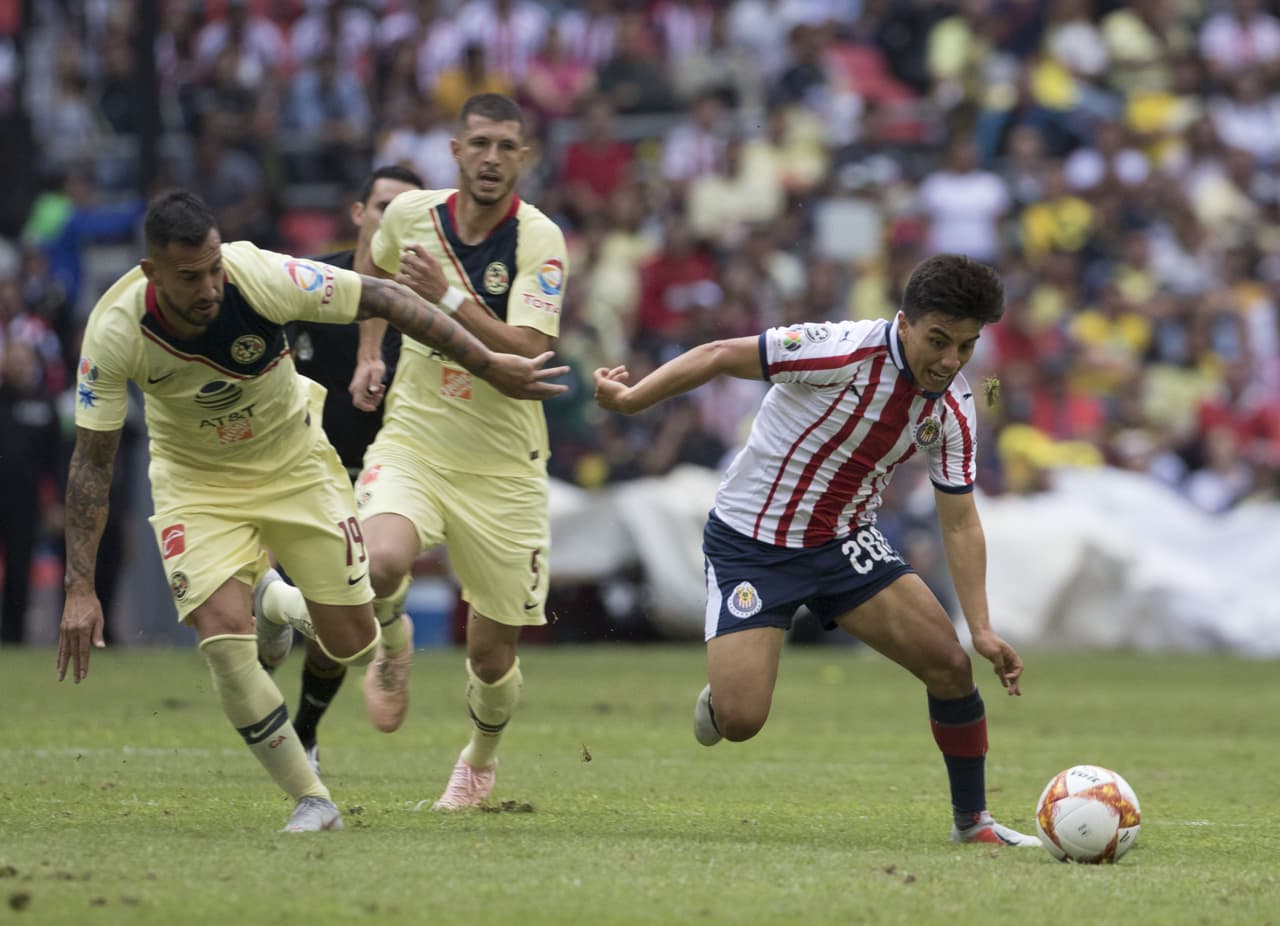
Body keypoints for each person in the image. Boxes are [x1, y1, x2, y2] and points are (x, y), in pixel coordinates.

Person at [56, 189, 567, 833]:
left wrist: (490, 363)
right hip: (197, 481)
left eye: (214, 267)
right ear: (152, 273)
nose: (211, 286)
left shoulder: (260, 275)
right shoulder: (112, 331)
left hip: (296, 463)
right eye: (191, 277)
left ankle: (274, 602)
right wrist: (80, 586)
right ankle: (312, 799)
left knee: (354, 645)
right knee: (221, 637)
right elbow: (92, 463)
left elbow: (383, 298)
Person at [592, 253, 1041, 847]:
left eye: (966, 345)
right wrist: (631, 401)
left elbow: (959, 522)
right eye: (938, 341)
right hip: (751, 542)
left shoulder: (955, 408)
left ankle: (973, 823)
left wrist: (981, 628)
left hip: (844, 544)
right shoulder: (839, 349)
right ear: (904, 321)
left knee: (951, 666)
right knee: (742, 720)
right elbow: (719, 354)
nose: (950, 361)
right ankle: (726, 695)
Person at [331, 92, 568, 809]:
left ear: (522, 158)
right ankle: (394, 639)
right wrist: (370, 352)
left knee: (491, 657)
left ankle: (479, 759)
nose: (492, 158)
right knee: (379, 563)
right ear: (455, 151)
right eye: (480, 144)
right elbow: (371, 266)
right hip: (417, 440)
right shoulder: (409, 216)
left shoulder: (539, 240)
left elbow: (529, 350)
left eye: (506, 146)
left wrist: (450, 298)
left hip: (503, 466)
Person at [255, 165, 425, 776]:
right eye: (383, 206)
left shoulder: (427, 306)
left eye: (408, 211)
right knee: (273, 612)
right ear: (359, 213)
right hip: (295, 470)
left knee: (336, 613)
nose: (391, 221)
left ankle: (305, 731)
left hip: (378, 482)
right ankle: (384, 622)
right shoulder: (310, 283)